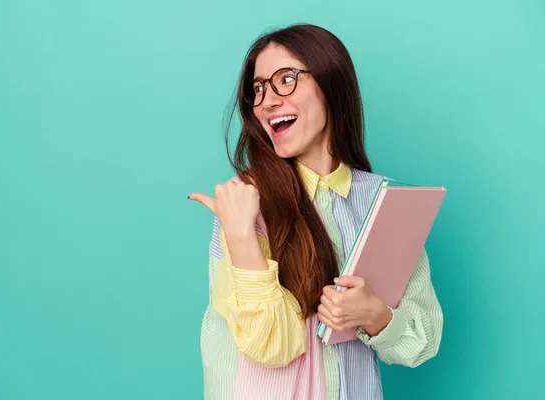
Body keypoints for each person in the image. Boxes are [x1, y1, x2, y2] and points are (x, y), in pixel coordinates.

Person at [188, 23, 443, 400]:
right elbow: (271, 345)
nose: (268, 100)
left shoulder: (387, 202)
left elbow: (422, 340)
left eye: (286, 80)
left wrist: (372, 314)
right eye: (258, 89)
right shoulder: (245, 203)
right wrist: (241, 236)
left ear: (331, 83)